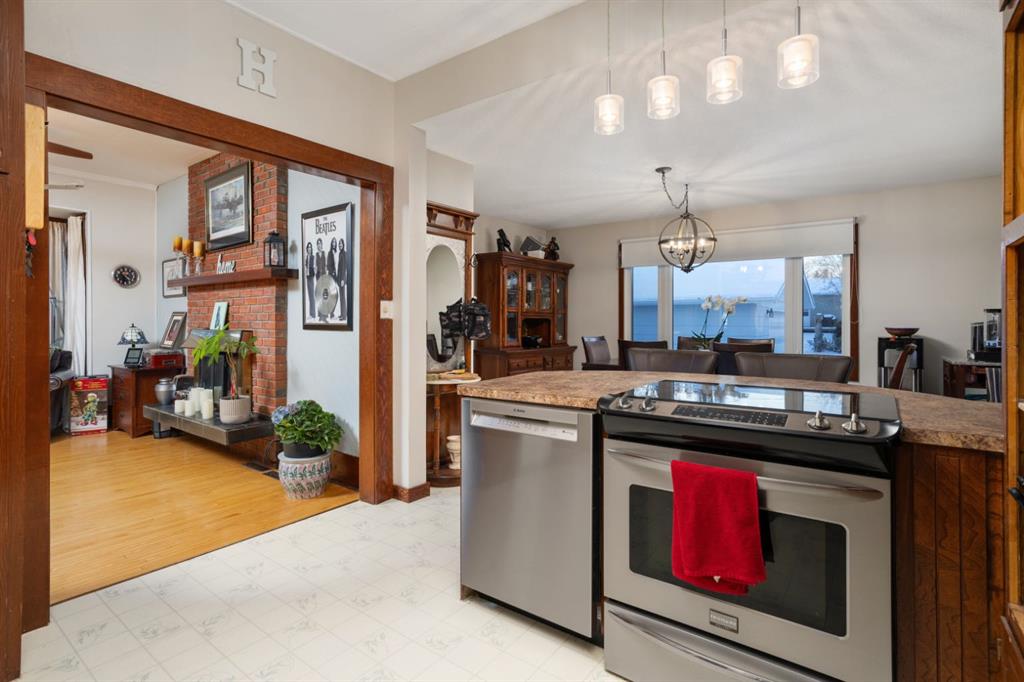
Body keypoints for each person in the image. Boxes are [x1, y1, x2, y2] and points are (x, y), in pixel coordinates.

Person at [315, 238, 327, 322]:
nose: (319, 245)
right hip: (318, 276)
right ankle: (320, 315)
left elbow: (325, 265)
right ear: (317, 245)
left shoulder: (324, 253)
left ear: (322, 244)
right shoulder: (316, 255)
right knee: (319, 295)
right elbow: (315, 266)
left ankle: (325, 315)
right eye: (318, 243)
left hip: (323, 275)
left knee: (324, 294)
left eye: (320, 243)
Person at [337, 237, 348, 322]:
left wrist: (343, 280)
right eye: (339, 244)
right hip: (340, 278)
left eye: (341, 243)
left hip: (342, 279)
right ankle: (342, 314)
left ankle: (344, 316)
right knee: (341, 297)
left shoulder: (344, 253)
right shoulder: (340, 253)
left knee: (343, 297)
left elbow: (344, 268)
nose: (340, 245)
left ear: (343, 245)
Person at [327, 237, 339, 319]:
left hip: (336, 277)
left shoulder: (336, 253)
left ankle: (331, 313)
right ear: (331, 244)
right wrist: (332, 272)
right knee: (334, 295)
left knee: (335, 295)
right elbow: (328, 266)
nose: (334, 243)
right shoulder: (329, 253)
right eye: (333, 242)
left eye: (335, 242)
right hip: (331, 277)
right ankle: (331, 314)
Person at [304, 242, 316, 319]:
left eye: (310, 247)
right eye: (308, 247)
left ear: (311, 249)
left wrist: (312, 272)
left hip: (311, 277)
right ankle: (311, 314)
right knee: (309, 295)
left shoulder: (313, 257)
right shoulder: (306, 257)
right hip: (307, 277)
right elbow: (305, 267)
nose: (309, 248)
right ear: (307, 249)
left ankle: (313, 314)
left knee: (311, 295)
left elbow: (314, 267)